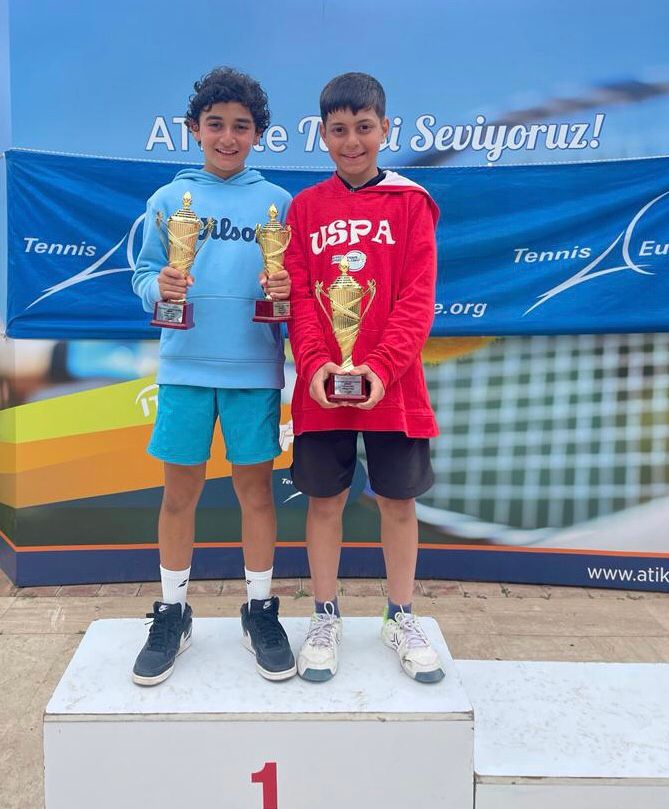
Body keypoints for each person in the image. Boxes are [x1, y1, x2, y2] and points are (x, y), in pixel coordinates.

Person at [131, 67, 295, 685]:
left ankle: (260, 609)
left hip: (255, 369)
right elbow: (143, 275)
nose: (228, 137)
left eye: (241, 126)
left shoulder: (279, 203)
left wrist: (286, 287)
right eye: (216, 124)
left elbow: (295, 287)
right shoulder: (167, 201)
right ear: (194, 129)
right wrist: (159, 286)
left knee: (257, 493)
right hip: (185, 368)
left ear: (258, 134)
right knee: (180, 495)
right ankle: (173, 611)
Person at [286, 72, 445, 683]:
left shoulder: (412, 203)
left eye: (363, 128)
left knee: (397, 503)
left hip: (393, 386)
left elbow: (417, 299)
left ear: (385, 129)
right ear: (322, 134)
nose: (351, 141)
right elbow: (301, 297)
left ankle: (400, 615)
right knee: (324, 502)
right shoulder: (305, 208)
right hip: (323, 386)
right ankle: (324, 616)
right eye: (339, 130)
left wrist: (380, 367)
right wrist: (316, 362)